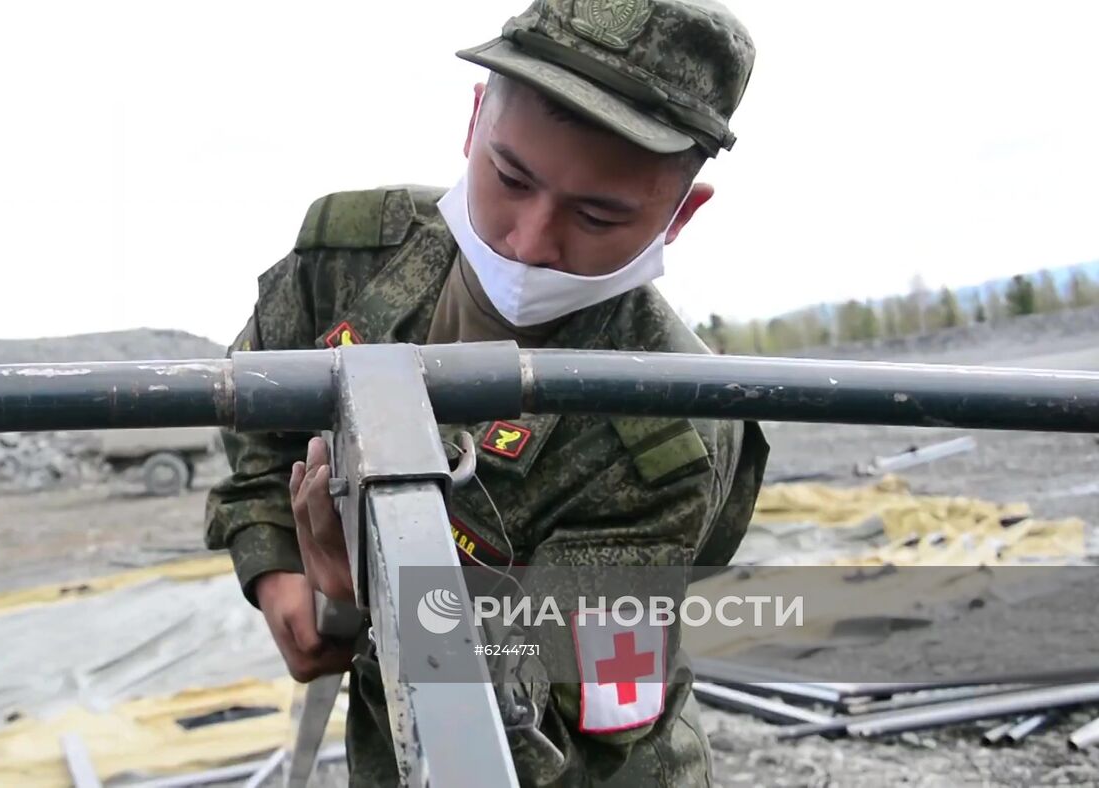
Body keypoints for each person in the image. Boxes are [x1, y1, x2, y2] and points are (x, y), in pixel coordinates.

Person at [205, 0, 768, 784]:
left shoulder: (667, 440)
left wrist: (378, 602)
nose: (530, 241)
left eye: (598, 214)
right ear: (475, 122)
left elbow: (561, 717)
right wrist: (278, 567)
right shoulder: (344, 258)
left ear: (681, 215)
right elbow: (256, 434)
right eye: (510, 177)